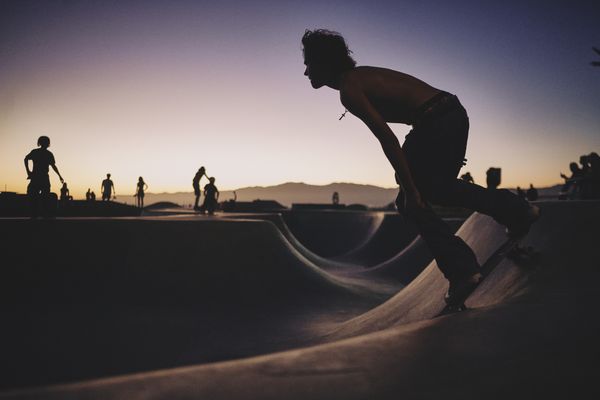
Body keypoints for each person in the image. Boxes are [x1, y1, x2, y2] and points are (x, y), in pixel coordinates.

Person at [301, 29, 539, 306]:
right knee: (439, 188)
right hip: (451, 112)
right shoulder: (361, 76)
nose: (306, 72)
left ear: (324, 62)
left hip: (433, 120)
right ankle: (518, 211)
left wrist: (411, 189)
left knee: (410, 201)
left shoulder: (350, 88)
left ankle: (463, 269)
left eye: (308, 63)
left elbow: (387, 138)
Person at [24, 136, 64, 218]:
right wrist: (28, 172)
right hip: (42, 177)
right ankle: (41, 213)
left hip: (38, 177)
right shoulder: (47, 154)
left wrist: (28, 172)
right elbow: (53, 166)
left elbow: (26, 159)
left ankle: (37, 213)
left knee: (35, 195)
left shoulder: (37, 152)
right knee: (41, 196)